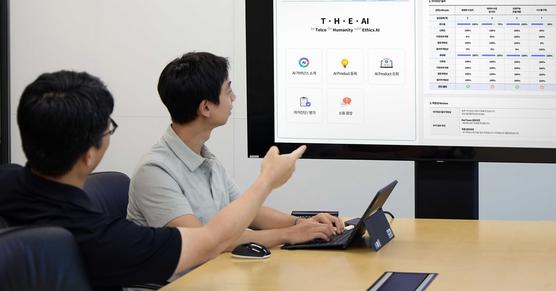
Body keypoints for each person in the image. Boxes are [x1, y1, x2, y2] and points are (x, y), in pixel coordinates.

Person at [0, 70, 305, 291]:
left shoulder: (7, 180)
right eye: (108, 128)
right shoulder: (106, 238)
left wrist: (296, 225)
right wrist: (267, 180)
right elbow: (211, 241)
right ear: (89, 156)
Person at [127, 52, 343, 249]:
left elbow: (250, 212)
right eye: (228, 91)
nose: (233, 98)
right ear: (206, 107)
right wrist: (288, 233)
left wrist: (302, 223)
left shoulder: (205, 157)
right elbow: (202, 242)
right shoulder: (154, 171)